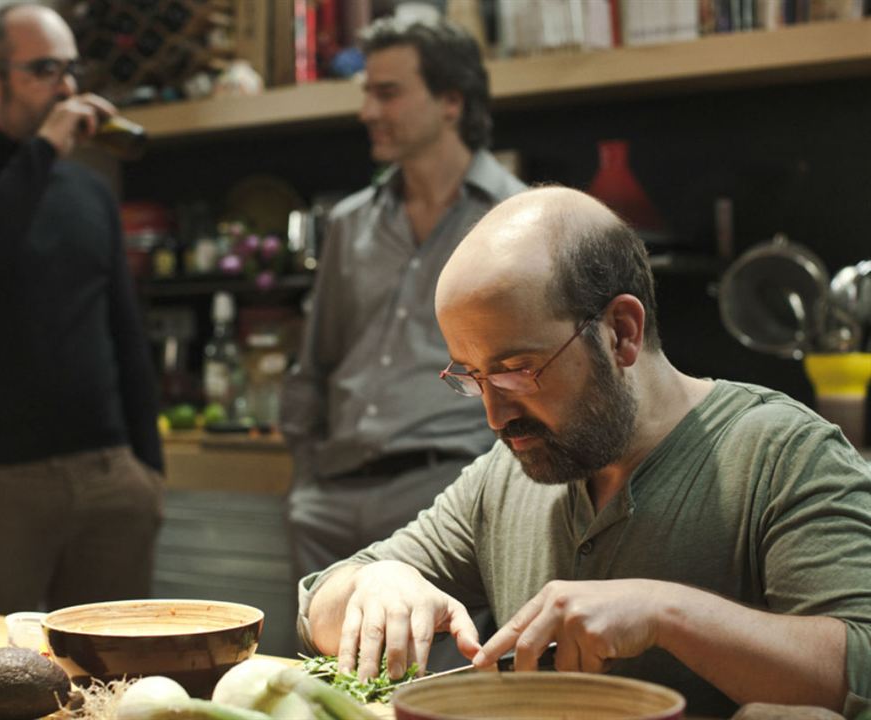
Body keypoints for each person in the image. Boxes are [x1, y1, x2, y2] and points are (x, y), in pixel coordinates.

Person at [299, 187, 871, 717]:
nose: (495, 417)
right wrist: (375, 584)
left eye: (518, 371)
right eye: (472, 377)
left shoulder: (780, 452)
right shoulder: (510, 475)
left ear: (621, 331)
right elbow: (320, 605)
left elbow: (862, 662)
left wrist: (664, 613)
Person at [0, 4, 164, 615]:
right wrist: (42, 149)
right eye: (45, 69)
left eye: (71, 69)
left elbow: (125, 330)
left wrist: (147, 471)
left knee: (117, 684)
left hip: (110, 480)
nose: (68, 88)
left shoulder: (89, 192)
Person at [280, 16, 527, 627]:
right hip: (329, 500)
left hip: (447, 489)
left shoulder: (519, 218)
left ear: (450, 101)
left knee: (434, 696)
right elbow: (317, 363)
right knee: (326, 696)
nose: (367, 110)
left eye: (386, 92)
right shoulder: (350, 221)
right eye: (367, 92)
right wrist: (305, 486)